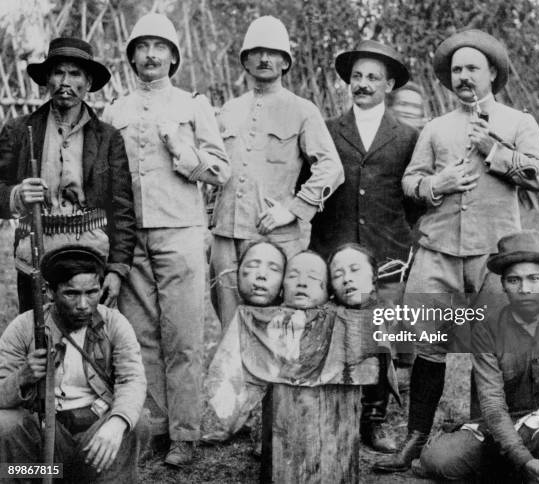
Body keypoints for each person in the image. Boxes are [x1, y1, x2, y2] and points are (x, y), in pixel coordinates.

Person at [373, 29, 539, 472]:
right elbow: (410, 183)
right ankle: (414, 440)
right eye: (456, 70)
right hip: (436, 254)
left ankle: (485, 437)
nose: (464, 76)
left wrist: (495, 149)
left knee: (490, 348)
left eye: (473, 68)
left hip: (493, 258)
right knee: (427, 346)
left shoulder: (517, 122)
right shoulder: (436, 128)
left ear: (493, 73)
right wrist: (437, 184)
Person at [102, 13, 230, 467]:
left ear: (174, 57)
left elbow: (220, 170)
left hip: (181, 230)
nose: (151, 55)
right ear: (131, 55)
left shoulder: (192, 105)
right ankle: (154, 426)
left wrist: (184, 152)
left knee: (184, 335)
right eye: (142, 47)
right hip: (130, 236)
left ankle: (185, 433)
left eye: (160, 47)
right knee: (139, 336)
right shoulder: (114, 109)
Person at [412, 230, 539, 483]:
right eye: (514, 280)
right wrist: (523, 459)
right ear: (503, 284)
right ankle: (521, 468)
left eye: (534, 278)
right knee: (439, 459)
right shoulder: (486, 329)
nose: (525, 289)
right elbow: (493, 407)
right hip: (503, 427)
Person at [310, 40, 419, 452]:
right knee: (332, 336)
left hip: (385, 252)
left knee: (380, 339)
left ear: (389, 84)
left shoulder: (408, 137)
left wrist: (396, 239)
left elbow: (413, 200)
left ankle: (373, 421)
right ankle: (329, 415)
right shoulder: (326, 129)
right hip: (333, 247)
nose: (364, 84)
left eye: (373, 77)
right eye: (357, 76)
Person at [210, 15, 344, 328]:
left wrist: (295, 209)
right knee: (230, 324)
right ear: (245, 60)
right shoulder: (229, 110)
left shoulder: (302, 109)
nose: (265, 58)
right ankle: (235, 378)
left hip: (274, 233)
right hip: (226, 236)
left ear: (285, 62)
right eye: (256, 52)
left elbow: (331, 167)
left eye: (273, 53)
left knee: (280, 323)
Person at [0, 37, 136, 313]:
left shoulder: (108, 138)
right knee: (40, 340)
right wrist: (17, 195)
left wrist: (117, 270)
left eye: (75, 74)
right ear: (46, 79)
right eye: (58, 72)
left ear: (88, 83)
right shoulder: (18, 131)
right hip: (35, 255)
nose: (66, 82)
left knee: (91, 343)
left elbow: (122, 210)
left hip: (92, 257)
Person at [0, 245, 148, 482]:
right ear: (50, 292)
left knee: (136, 421)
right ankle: (34, 477)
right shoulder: (24, 327)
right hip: (44, 451)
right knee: (5, 423)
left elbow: (133, 380)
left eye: (92, 292)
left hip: (95, 441)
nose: (83, 304)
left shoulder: (114, 324)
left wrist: (117, 423)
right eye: (71, 293)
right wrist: (23, 376)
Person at [328, 243, 400, 452]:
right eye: (338, 275)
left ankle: (373, 420)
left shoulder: (383, 309)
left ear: (374, 276)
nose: (347, 278)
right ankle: (336, 418)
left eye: (355, 270)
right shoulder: (327, 312)